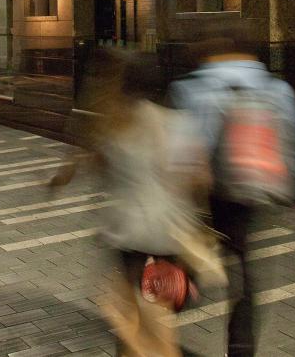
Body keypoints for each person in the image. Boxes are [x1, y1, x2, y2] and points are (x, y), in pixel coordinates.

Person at [49, 50, 223, 356]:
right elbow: (201, 180)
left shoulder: (115, 129)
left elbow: (93, 166)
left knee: (137, 325)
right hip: (169, 238)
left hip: (131, 239)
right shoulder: (178, 124)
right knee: (151, 323)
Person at [169, 21, 295, 357]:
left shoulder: (195, 88)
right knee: (244, 277)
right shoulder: (278, 89)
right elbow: (291, 149)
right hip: (254, 194)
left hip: (209, 197)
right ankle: (241, 348)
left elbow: (190, 151)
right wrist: (290, 194)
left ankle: (164, 313)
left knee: (186, 260)